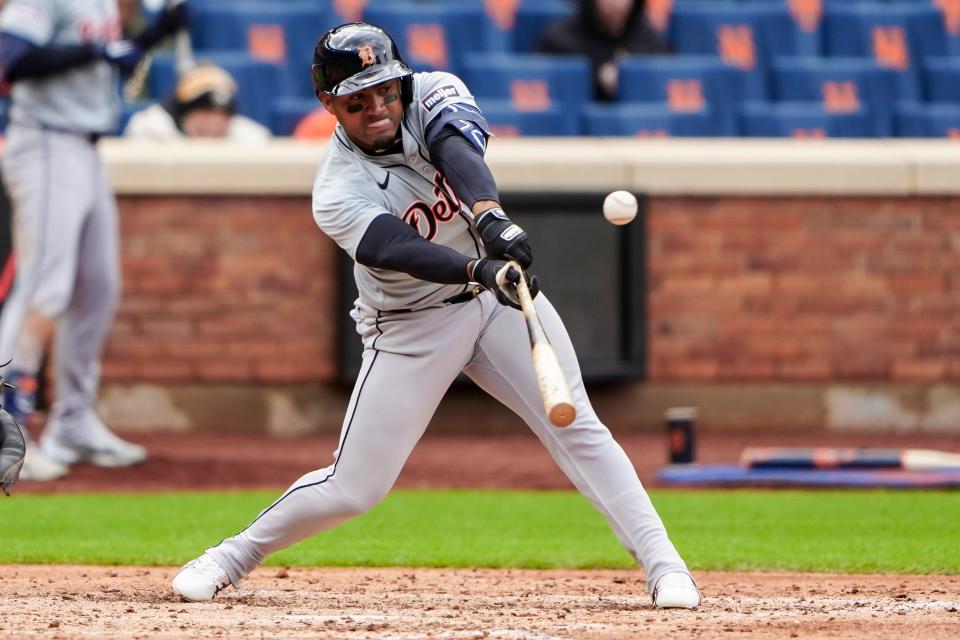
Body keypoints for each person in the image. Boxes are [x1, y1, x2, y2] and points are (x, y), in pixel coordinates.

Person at [171, 22, 701, 610]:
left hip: (493, 305)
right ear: (329, 104)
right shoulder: (336, 189)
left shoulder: (433, 91)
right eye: (358, 99)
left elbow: (456, 147)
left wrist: (491, 219)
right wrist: (478, 268)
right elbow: (395, 248)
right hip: (407, 327)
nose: (377, 108)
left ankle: (665, 566)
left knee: (576, 425)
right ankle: (231, 555)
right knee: (355, 487)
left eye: (385, 91)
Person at [0, 0, 189, 481]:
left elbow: (110, 58)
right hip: (43, 142)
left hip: (84, 148)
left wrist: (152, 35)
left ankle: (73, 420)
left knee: (98, 287)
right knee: (44, 290)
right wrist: (103, 50)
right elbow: (12, 57)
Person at [537, 0, 670, 101]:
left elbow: (667, 76)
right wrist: (597, 80)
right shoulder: (561, 38)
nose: (618, 4)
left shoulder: (647, 37)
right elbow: (547, 89)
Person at [124, 63, 271, 143]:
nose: (212, 125)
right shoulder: (150, 128)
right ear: (185, 111)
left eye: (222, 114)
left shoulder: (249, 137)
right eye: (205, 112)